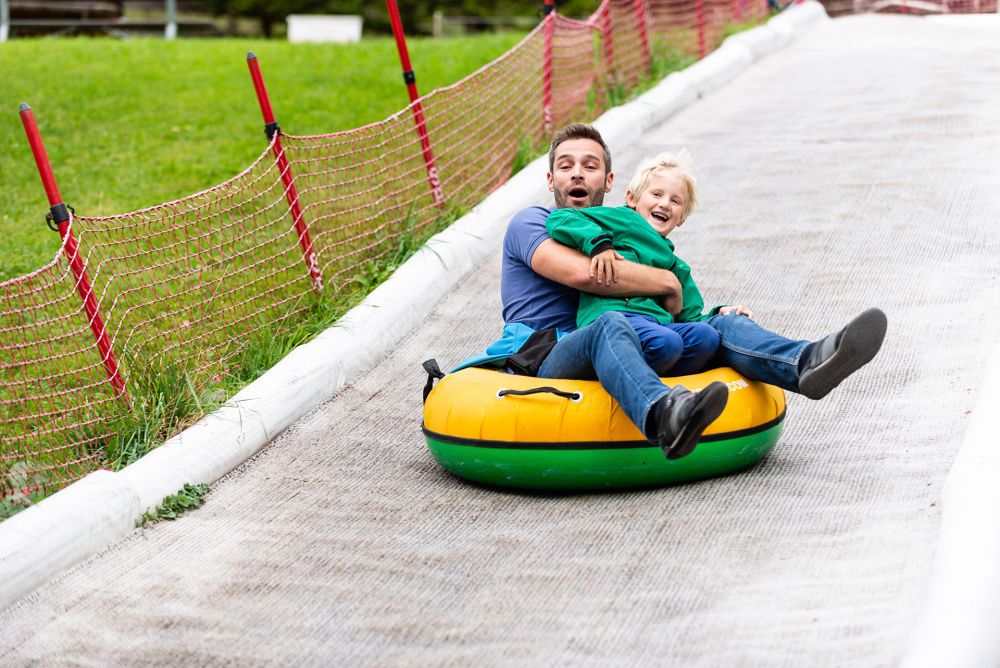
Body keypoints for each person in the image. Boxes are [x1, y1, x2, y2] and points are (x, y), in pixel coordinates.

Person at [457, 123, 886, 460]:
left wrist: (716, 313)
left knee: (715, 324)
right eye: (566, 165)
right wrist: (665, 282)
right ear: (551, 178)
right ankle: (666, 414)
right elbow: (589, 277)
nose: (577, 173)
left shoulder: (621, 229)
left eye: (589, 166)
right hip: (552, 354)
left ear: (609, 182)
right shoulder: (533, 221)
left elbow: (667, 306)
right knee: (610, 323)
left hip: (629, 344)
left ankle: (805, 362)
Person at [545, 151, 722, 377]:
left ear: (682, 217)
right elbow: (561, 218)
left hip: (656, 325)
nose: (665, 204)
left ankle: (660, 383)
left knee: (706, 337)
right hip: (616, 318)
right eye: (657, 194)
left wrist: (720, 313)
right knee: (666, 342)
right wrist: (599, 245)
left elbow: (690, 317)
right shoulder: (624, 220)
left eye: (675, 201)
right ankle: (637, 380)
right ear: (632, 199)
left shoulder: (677, 266)